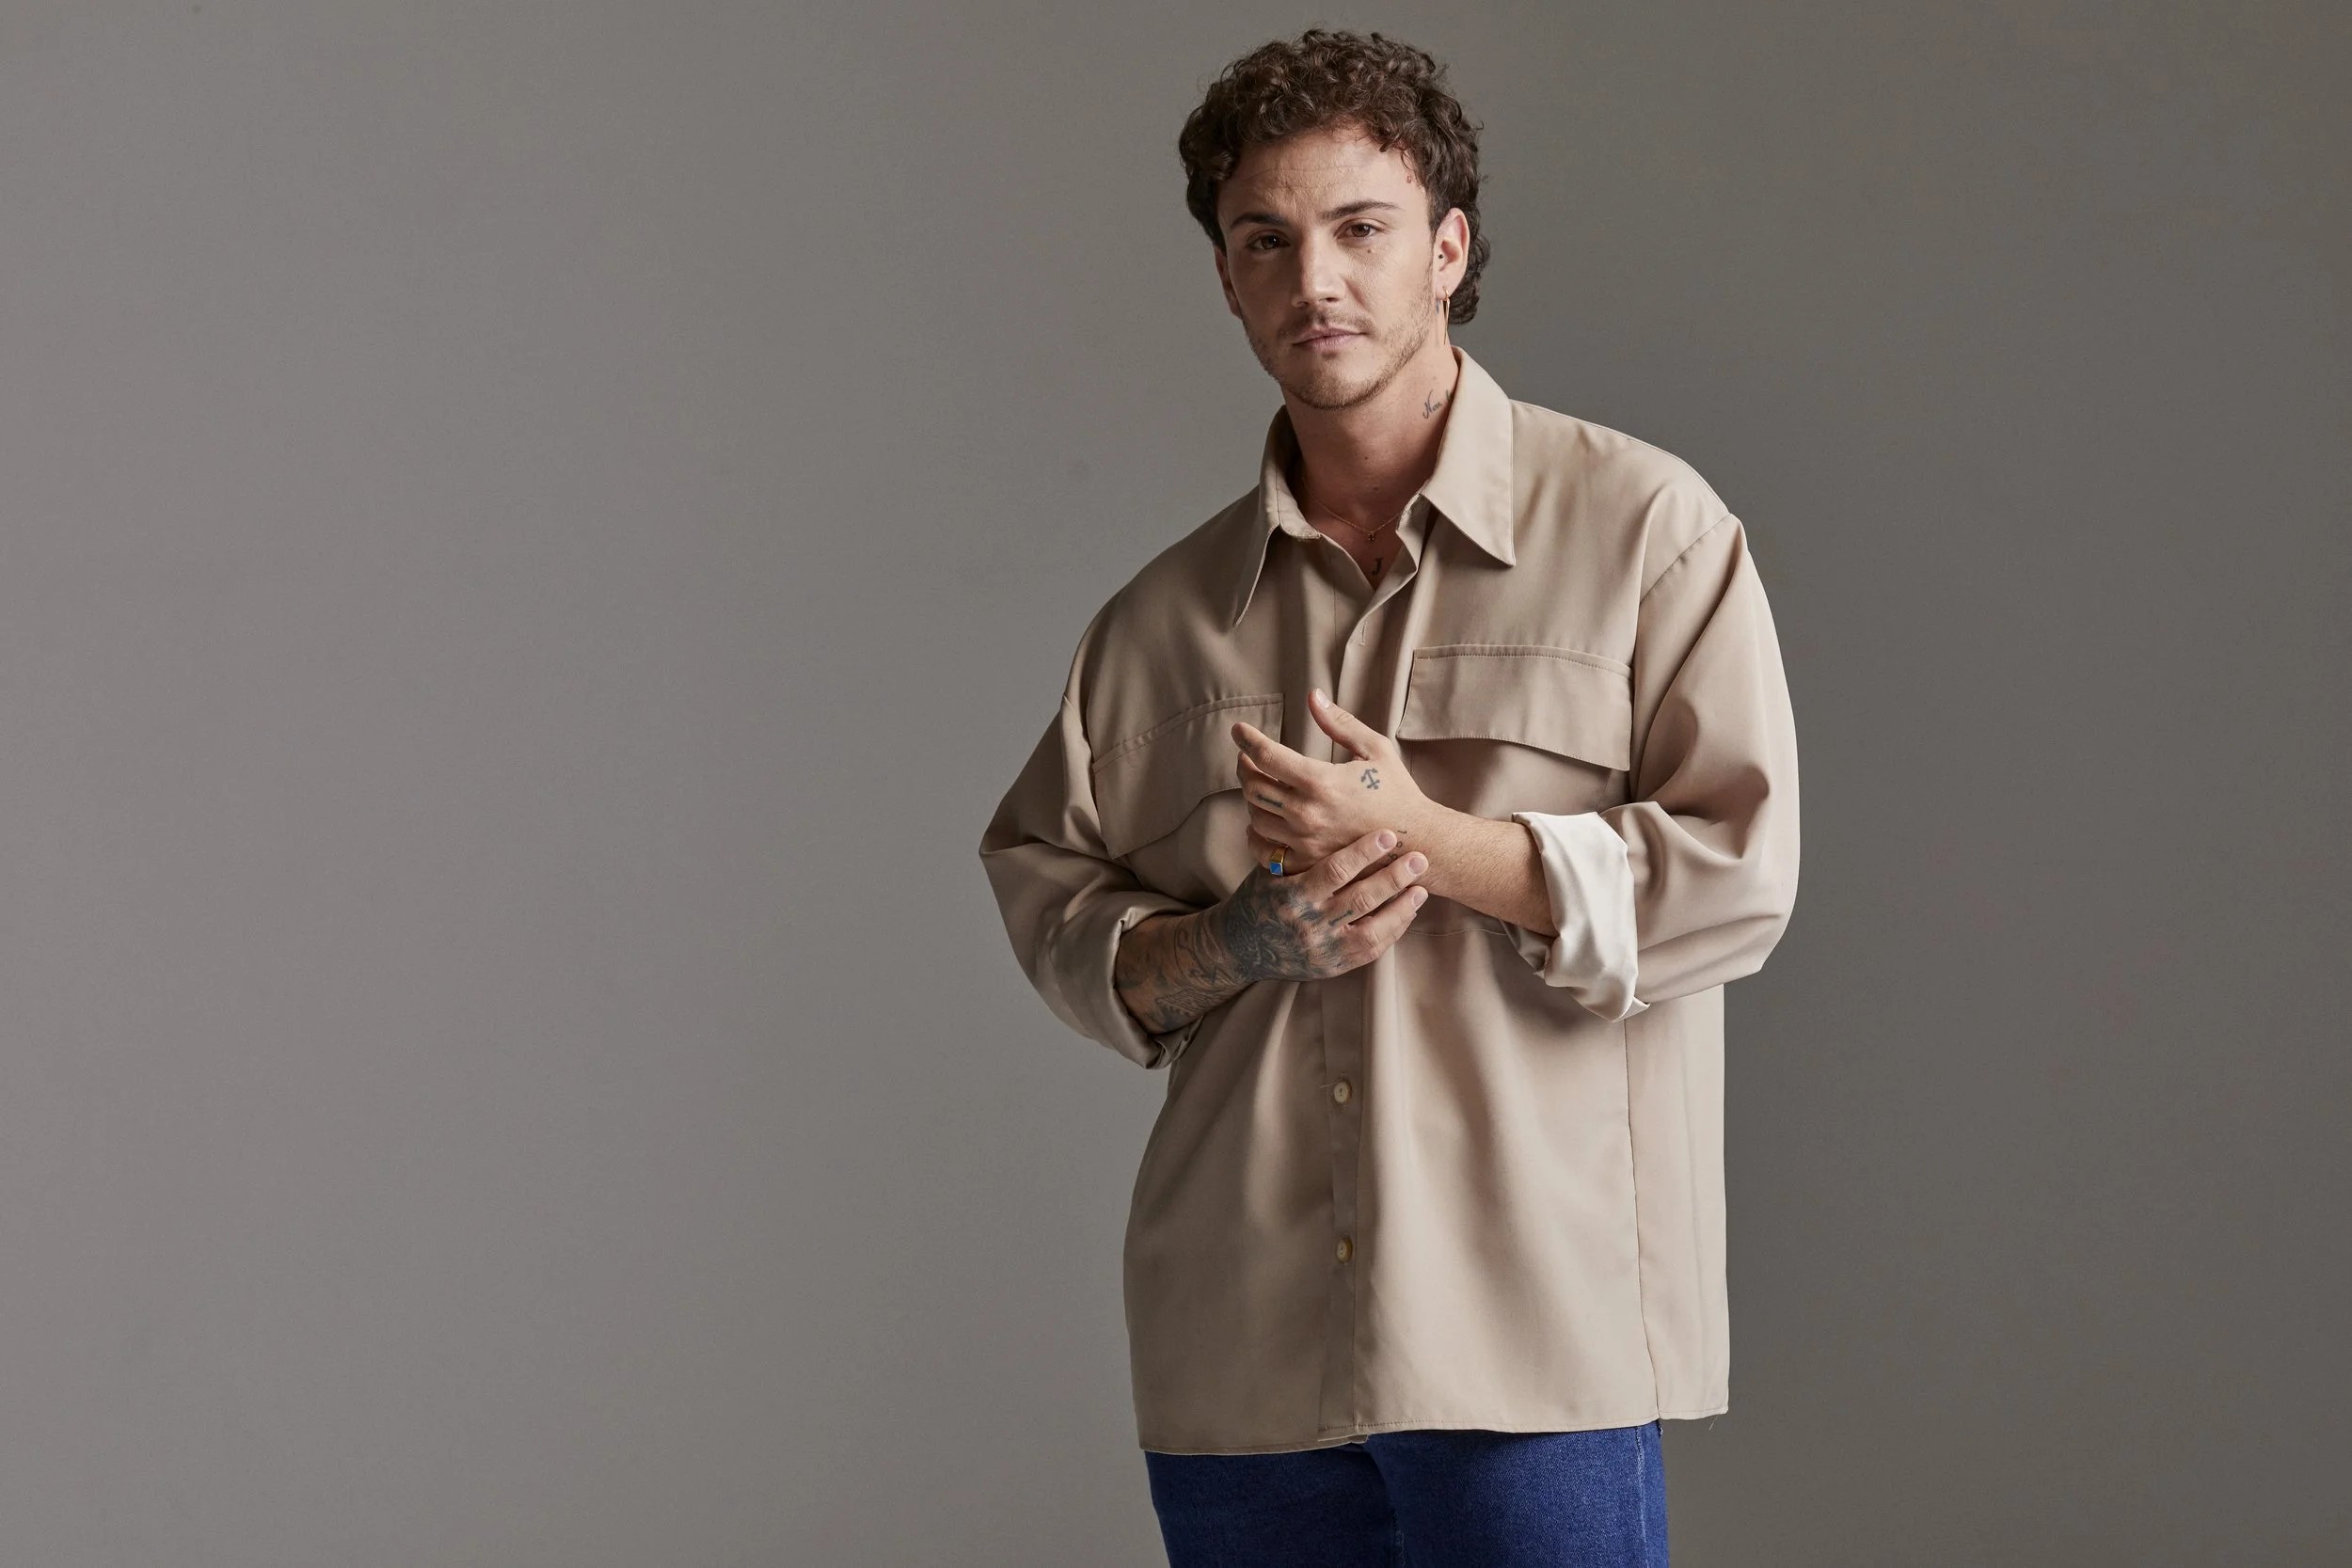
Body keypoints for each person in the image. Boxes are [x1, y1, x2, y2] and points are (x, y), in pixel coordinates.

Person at [977, 28, 1800, 1567]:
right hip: (1242, 1365)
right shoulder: (1155, 627)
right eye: (1265, 240)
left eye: (1360, 228)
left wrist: (1441, 846)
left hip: (1536, 1349)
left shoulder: (1647, 534)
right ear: (1226, 280)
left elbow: (1737, 873)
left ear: (1448, 248)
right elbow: (1053, 903)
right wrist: (1233, 942)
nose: (1316, 280)